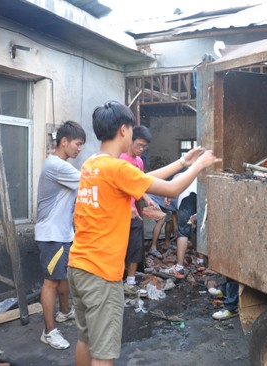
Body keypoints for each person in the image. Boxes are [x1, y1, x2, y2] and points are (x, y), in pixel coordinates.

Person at [68, 100, 220, 366]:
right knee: (104, 353)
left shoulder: (92, 164)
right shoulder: (117, 168)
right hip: (101, 273)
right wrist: (199, 166)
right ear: (124, 130)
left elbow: (147, 179)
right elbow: (170, 190)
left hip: (78, 265)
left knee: (86, 339)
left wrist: (183, 161)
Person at [35, 120, 86, 350]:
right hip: (52, 234)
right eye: (77, 143)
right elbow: (92, 181)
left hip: (63, 232)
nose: (79, 148)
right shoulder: (58, 166)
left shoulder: (57, 162)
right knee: (51, 282)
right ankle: (49, 331)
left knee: (63, 277)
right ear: (63, 142)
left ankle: (65, 312)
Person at [120, 125, 154, 297]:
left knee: (135, 246)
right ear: (131, 141)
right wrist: (130, 206)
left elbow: (139, 185)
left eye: (144, 147)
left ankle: (130, 282)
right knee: (119, 247)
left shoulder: (139, 162)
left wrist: (147, 199)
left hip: (133, 213)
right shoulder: (119, 159)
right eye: (139, 145)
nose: (141, 150)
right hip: (119, 213)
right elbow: (119, 188)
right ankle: (115, 281)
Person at [160, 177, 197, 279]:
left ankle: (179, 268)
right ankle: (200, 262)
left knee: (183, 231)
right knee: (201, 227)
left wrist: (168, 194)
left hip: (188, 194)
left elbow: (177, 177)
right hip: (202, 191)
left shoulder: (183, 173)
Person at [148, 194, 177, 259]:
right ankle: (153, 248)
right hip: (150, 198)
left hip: (161, 201)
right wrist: (175, 226)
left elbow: (174, 211)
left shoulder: (178, 197)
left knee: (170, 219)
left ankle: (167, 243)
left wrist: (175, 225)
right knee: (161, 218)